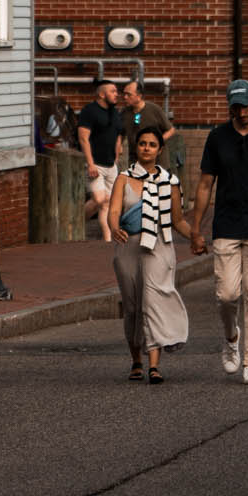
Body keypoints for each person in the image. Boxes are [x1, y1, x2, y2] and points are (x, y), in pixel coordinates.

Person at [108, 122, 191, 381]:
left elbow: (178, 221)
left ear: (160, 149)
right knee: (133, 307)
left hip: (159, 245)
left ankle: (155, 365)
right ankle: (136, 360)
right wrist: (113, 227)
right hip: (129, 246)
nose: (147, 148)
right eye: (143, 143)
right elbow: (113, 211)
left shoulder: (170, 182)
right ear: (136, 147)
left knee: (152, 300)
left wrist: (196, 236)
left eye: (152, 144)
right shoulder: (123, 178)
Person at [190, 77, 248, 383]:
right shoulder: (218, 137)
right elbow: (205, 185)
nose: (241, 112)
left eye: (246, 105)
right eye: (236, 107)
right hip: (227, 224)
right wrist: (196, 229)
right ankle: (231, 339)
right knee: (228, 295)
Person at [77, 79, 125, 242]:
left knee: (107, 204)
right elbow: (83, 138)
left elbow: (119, 134)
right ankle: (77, 222)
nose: (116, 94)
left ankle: (107, 240)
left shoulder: (115, 112)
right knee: (98, 199)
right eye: (112, 91)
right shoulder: (89, 111)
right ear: (101, 94)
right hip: (94, 163)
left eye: (116, 91)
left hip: (111, 164)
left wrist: (117, 157)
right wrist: (90, 163)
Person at [121, 77, 177, 172]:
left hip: (157, 162)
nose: (125, 97)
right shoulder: (125, 113)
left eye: (128, 94)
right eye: (124, 94)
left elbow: (171, 130)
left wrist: (157, 142)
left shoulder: (154, 109)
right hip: (136, 162)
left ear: (139, 96)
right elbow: (120, 133)